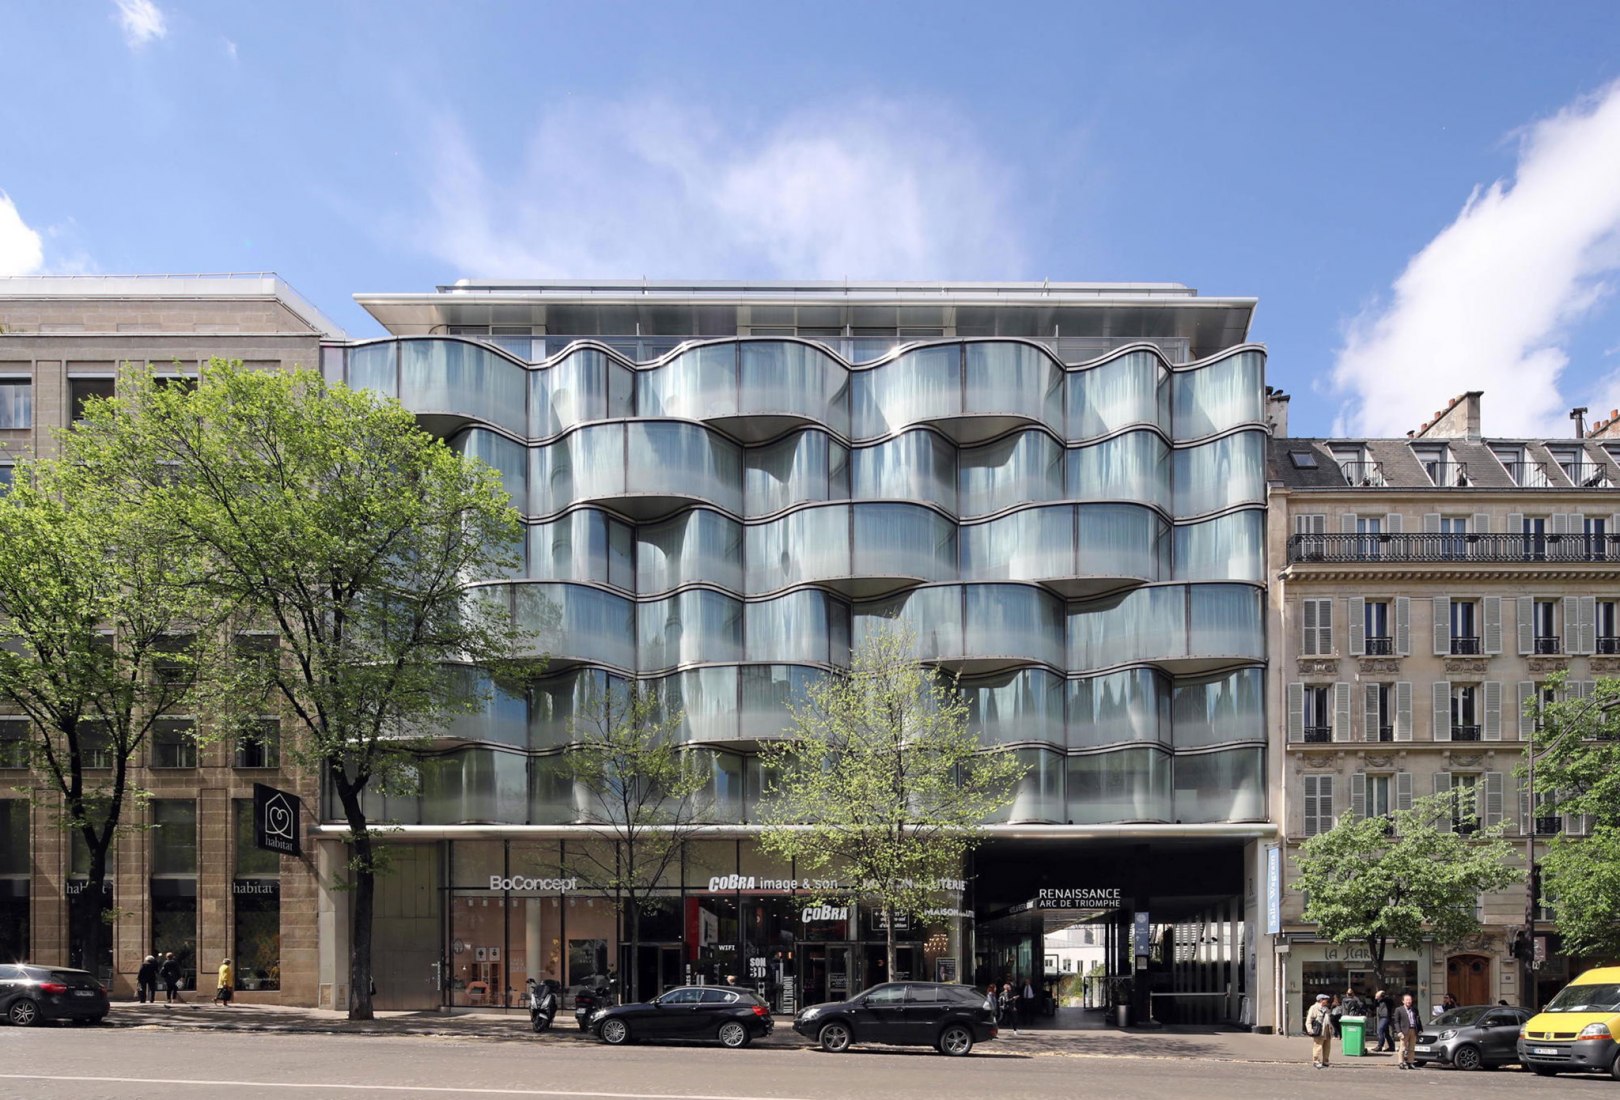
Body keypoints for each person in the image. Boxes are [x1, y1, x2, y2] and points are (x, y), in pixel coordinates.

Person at [1393, 992, 1422, 1069]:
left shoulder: (1414, 1009)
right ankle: (1401, 1062)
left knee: (1412, 1048)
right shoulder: (1399, 1010)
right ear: (1403, 1001)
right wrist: (1399, 1032)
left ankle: (1410, 1062)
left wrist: (1419, 1029)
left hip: (1413, 1030)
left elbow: (1417, 1019)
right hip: (1404, 1031)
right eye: (1407, 1000)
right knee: (1402, 1048)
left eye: (1410, 1000)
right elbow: (1396, 1022)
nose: (1409, 1001)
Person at [1306, 992, 1333, 1069]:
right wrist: (1310, 1030)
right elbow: (1309, 1020)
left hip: (1327, 1030)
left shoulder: (1326, 1009)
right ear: (1321, 1000)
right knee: (1318, 1046)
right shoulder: (1314, 1008)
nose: (1327, 1001)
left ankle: (1325, 1061)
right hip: (1319, 1030)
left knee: (1327, 1047)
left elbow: (1329, 1020)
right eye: (1325, 999)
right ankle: (1316, 1061)